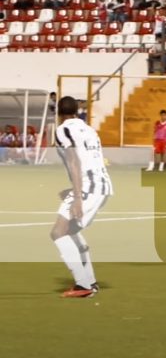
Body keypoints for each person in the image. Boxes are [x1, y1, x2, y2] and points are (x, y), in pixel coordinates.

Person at [50, 96, 113, 297]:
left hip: (88, 187)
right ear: (77, 111)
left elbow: (74, 161)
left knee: (59, 232)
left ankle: (83, 285)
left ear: (58, 114)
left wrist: (77, 196)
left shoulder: (63, 130)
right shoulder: (89, 130)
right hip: (102, 186)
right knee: (72, 230)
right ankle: (89, 282)